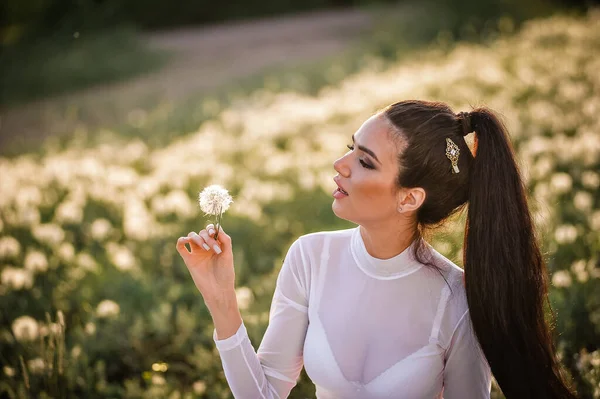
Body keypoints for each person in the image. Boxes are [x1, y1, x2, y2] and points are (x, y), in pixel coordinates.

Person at [176, 100, 577, 398]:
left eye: (365, 162)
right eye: (351, 147)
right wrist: (221, 299)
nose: (340, 164)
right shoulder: (310, 258)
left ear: (409, 198)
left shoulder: (457, 300)